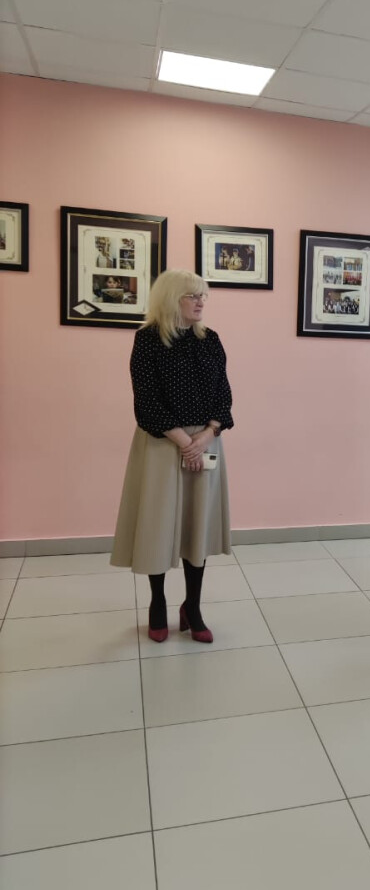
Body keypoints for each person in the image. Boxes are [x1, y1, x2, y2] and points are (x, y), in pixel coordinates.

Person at [110, 269, 234, 643]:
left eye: (203, 296)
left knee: (198, 526)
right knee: (158, 525)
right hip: (162, 442)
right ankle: (158, 602)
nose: (200, 302)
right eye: (192, 295)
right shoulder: (148, 340)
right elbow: (146, 401)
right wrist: (185, 442)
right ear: (170, 298)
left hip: (206, 442)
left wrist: (206, 436)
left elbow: (224, 396)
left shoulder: (210, 340)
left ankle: (192, 606)